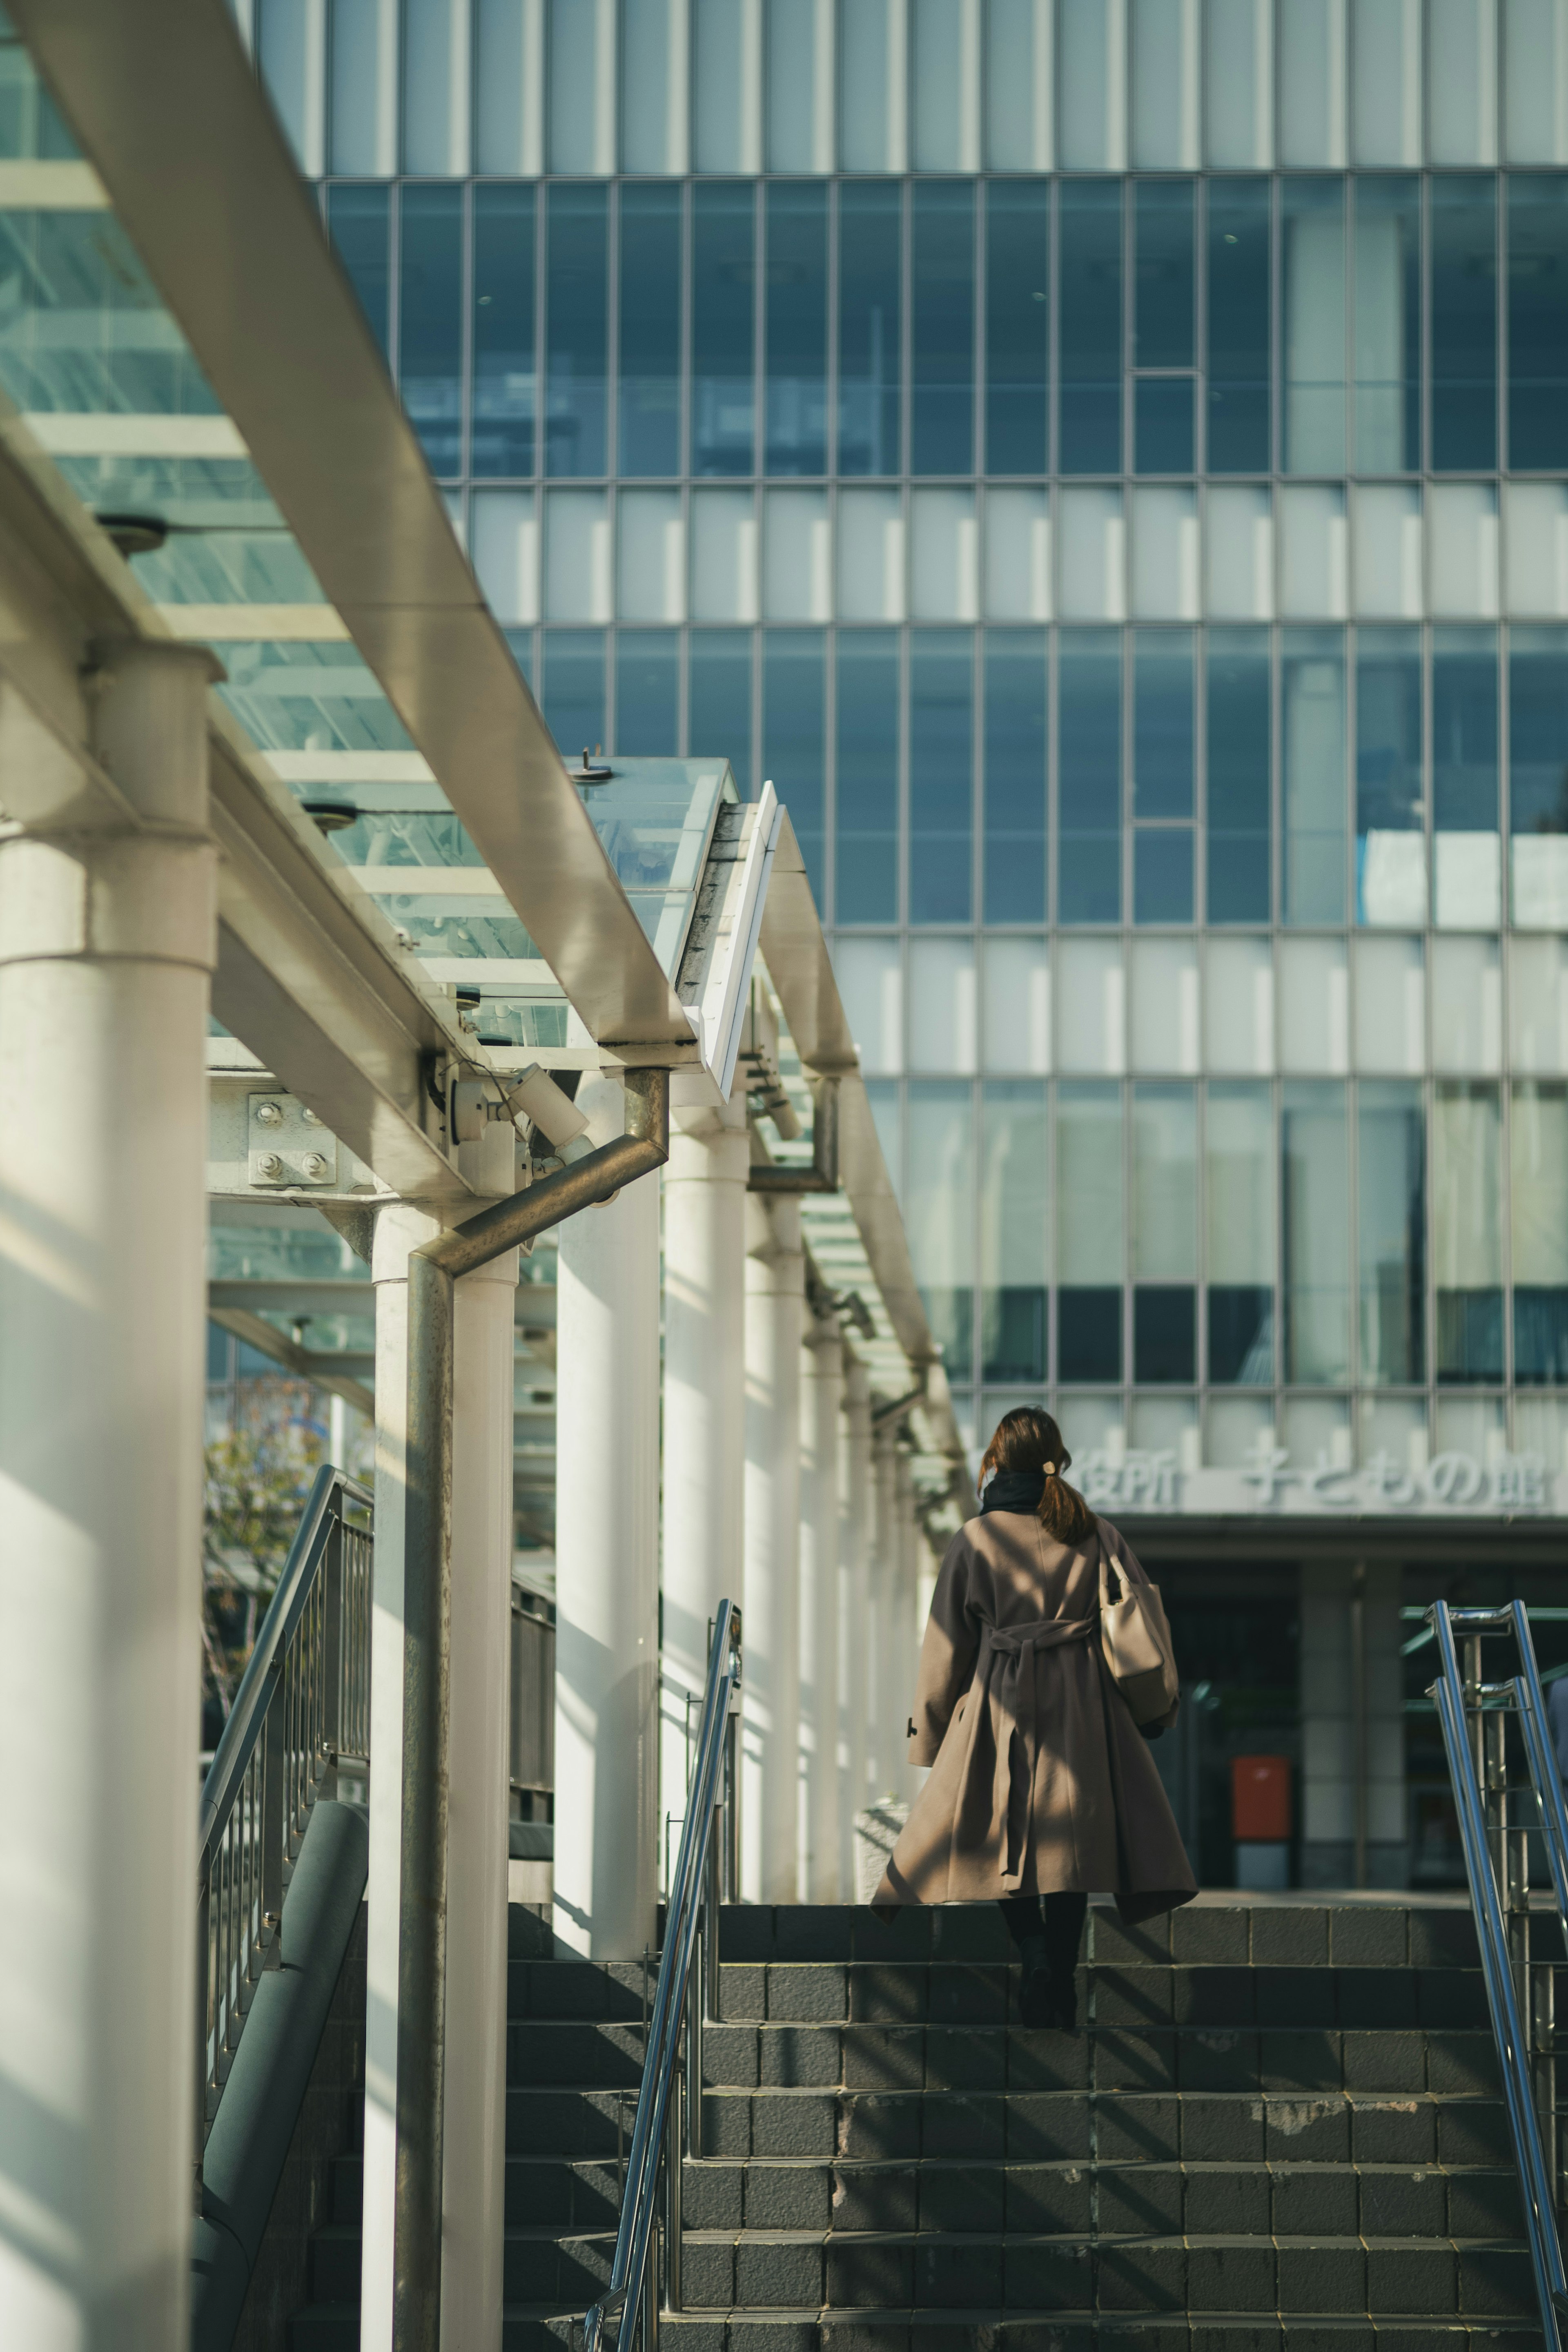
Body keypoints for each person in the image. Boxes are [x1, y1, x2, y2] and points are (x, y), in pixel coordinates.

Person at [872, 1407, 1197, 2030]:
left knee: (1008, 1839)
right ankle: (1062, 1978)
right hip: (1085, 1704)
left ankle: (1034, 1955)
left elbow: (946, 1645)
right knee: (1067, 1851)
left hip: (1000, 1701)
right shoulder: (1097, 1532)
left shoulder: (976, 1539)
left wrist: (933, 1733)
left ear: (997, 1461)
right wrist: (1152, 1709)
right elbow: (1139, 1623)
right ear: (1058, 1459)